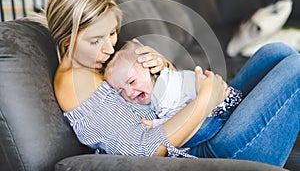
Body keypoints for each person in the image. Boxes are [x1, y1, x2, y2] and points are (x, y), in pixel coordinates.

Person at [46, 0, 299, 168]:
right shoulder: (74, 83)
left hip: (207, 123)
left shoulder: (95, 61)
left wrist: (162, 67)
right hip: (207, 151)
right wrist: (205, 100)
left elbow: (162, 100)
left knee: (275, 52)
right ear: (68, 40)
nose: (109, 45)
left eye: (112, 32)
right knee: (295, 68)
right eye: (96, 40)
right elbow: (143, 149)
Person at [104, 40, 243, 147]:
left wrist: (155, 124)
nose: (128, 92)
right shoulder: (164, 77)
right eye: (120, 91)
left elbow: (179, 118)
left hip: (219, 112)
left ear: (149, 68)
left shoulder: (161, 93)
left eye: (132, 82)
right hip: (226, 98)